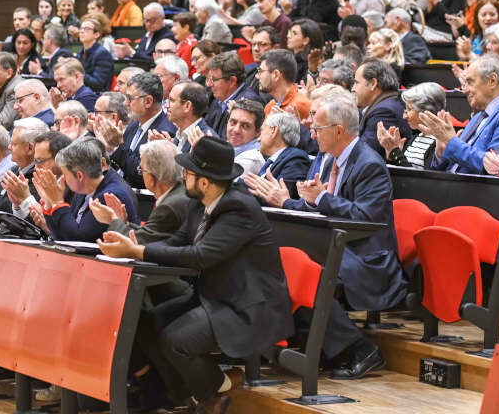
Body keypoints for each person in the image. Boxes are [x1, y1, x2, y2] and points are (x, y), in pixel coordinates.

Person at [98, 135, 293, 412]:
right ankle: (189, 394)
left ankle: (213, 393)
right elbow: (177, 242)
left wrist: (137, 252)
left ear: (204, 181)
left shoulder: (239, 208)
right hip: (216, 296)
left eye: (187, 172)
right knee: (146, 320)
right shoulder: (197, 203)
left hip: (249, 306)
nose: (182, 176)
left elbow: (201, 256)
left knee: (176, 339)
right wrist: (135, 245)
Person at [250, 93, 406, 380]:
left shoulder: (369, 165)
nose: (311, 133)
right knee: (283, 266)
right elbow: (317, 206)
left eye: (317, 128)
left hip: (367, 257)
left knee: (312, 273)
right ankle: (310, 345)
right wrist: (285, 202)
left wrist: (321, 198)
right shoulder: (325, 159)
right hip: (334, 246)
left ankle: (361, 349)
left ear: (338, 130)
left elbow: (365, 218)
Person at [90, 140, 190, 245]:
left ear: (151, 177)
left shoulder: (170, 206)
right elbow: (149, 233)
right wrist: (123, 223)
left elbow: (139, 242)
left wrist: (112, 220)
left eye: (141, 170)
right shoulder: (178, 194)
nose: (141, 174)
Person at [40, 137, 139, 242]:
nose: (63, 178)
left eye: (65, 174)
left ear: (79, 176)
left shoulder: (110, 195)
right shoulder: (83, 190)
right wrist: (50, 203)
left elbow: (77, 239)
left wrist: (58, 203)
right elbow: (61, 236)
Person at [422, 54, 499, 174]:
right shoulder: (480, 115)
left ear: (492, 81)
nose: (465, 90)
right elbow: (453, 163)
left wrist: (450, 141)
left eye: (470, 82)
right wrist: (441, 152)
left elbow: (493, 168)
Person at [96, 72, 176, 188]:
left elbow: (140, 176)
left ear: (148, 101)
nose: (125, 103)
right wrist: (109, 148)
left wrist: (117, 146)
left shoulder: (164, 132)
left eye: (129, 98)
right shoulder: (134, 125)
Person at [5, 130, 72, 221]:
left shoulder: (73, 188)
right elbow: (31, 225)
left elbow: (53, 227)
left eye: (40, 161)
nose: (36, 167)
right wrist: (18, 205)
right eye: (35, 161)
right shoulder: (44, 181)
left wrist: (26, 198)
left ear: (60, 159)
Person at [242, 112, 311, 198]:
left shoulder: (296, 159)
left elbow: (278, 198)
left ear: (274, 131)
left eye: (262, 130)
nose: (258, 139)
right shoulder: (272, 160)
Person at [377, 82, 445, 169]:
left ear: (425, 110)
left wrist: (395, 152)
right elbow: (401, 171)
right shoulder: (413, 139)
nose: (404, 116)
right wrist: (390, 153)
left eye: (409, 109)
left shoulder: (439, 144)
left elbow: (420, 178)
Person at [352, 58, 411, 156]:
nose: (353, 88)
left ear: (373, 84)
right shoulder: (387, 104)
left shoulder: (384, 112)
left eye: (357, 83)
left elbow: (361, 153)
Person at [204, 51, 262, 138]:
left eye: (214, 79)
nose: (209, 84)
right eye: (209, 78)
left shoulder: (247, 103)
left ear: (232, 81)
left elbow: (230, 142)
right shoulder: (220, 98)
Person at [258, 49, 312, 121]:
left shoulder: (301, 105)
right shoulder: (270, 106)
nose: (257, 76)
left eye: (261, 71)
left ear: (276, 75)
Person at [165, 81, 216, 153]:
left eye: (172, 100)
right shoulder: (179, 133)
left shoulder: (207, 141)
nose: (166, 105)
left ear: (187, 106)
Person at [76, 17, 115, 92]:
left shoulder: (103, 54)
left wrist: (76, 72)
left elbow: (98, 83)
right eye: (81, 28)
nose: (82, 31)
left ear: (96, 34)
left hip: (98, 95)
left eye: (87, 29)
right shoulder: (80, 53)